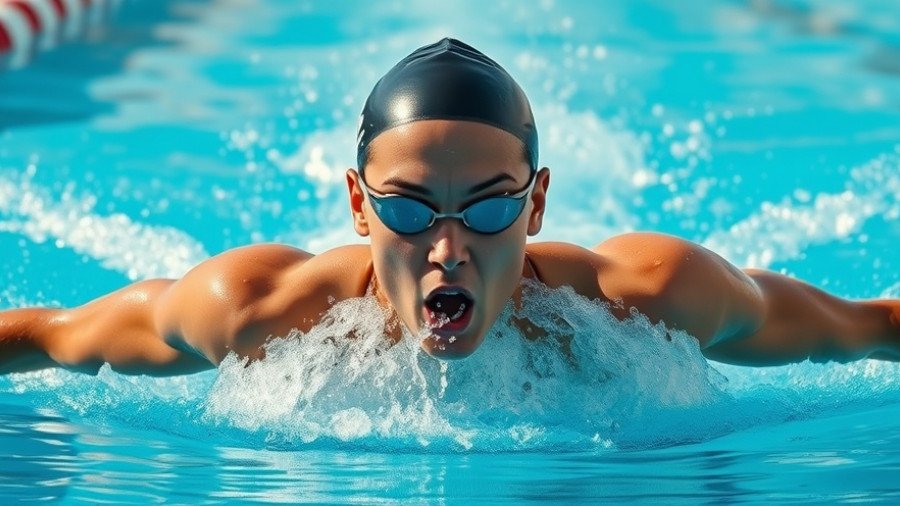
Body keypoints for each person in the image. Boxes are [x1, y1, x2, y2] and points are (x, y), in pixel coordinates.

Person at [1, 38, 898, 376]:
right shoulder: (259, 312)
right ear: (357, 206)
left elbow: (856, 326)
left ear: (539, 203)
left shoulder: (649, 300)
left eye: (488, 209)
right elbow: (49, 337)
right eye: (409, 210)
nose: (447, 246)